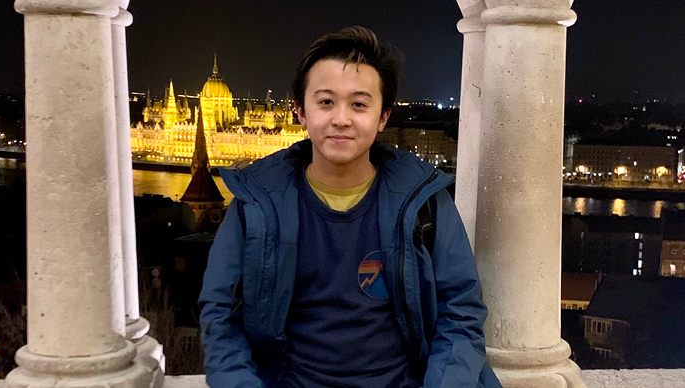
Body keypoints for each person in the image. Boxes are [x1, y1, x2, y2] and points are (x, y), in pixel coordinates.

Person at [199, 26, 501, 388]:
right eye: (325, 102)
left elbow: (461, 313)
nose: (341, 119)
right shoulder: (256, 203)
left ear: (383, 117)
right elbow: (219, 317)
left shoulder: (425, 202)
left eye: (359, 104)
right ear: (300, 111)